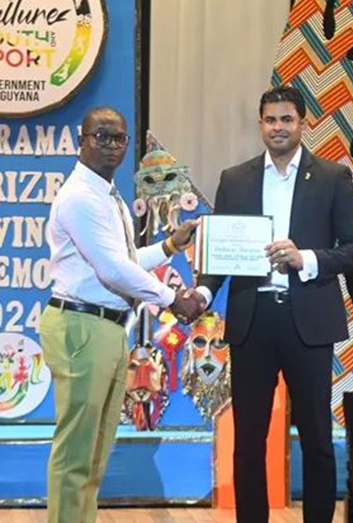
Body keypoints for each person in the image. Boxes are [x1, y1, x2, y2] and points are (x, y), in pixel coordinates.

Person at [192, 85, 353, 523]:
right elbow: (221, 252)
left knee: (315, 437)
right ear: (260, 125)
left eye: (286, 119)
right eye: (270, 120)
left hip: (307, 320)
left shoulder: (332, 177)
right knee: (249, 439)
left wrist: (305, 258)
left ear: (302, 123)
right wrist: (201, 292)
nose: (278, 127)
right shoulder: (235, 179)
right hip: (252, 322)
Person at [40, 106, 202, 523]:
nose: (111, 146)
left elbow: (124, 259)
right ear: (82, 139)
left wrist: (169, 247)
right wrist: (172, 300)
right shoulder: (80, 197)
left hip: (108, 328)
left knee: (95, 453)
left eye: (118, 138)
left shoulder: (107, 195)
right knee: (76, 453)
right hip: (81, 326)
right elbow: (113, 270)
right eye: (101, 136)